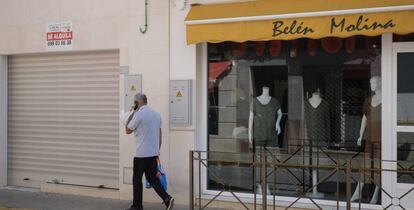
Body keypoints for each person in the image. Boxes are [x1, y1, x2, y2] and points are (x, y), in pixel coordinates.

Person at [125, 93, 174, 210]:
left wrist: (130, 114)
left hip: (141, 154)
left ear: (137, 103)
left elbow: (127, 130)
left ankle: (137, 206)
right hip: (153, 153)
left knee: (137, 180)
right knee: (152, 179)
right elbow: (160, 134)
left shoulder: (139, 114)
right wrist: (157, 150)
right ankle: (167, 198)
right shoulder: (156, 114)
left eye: (134, 102)